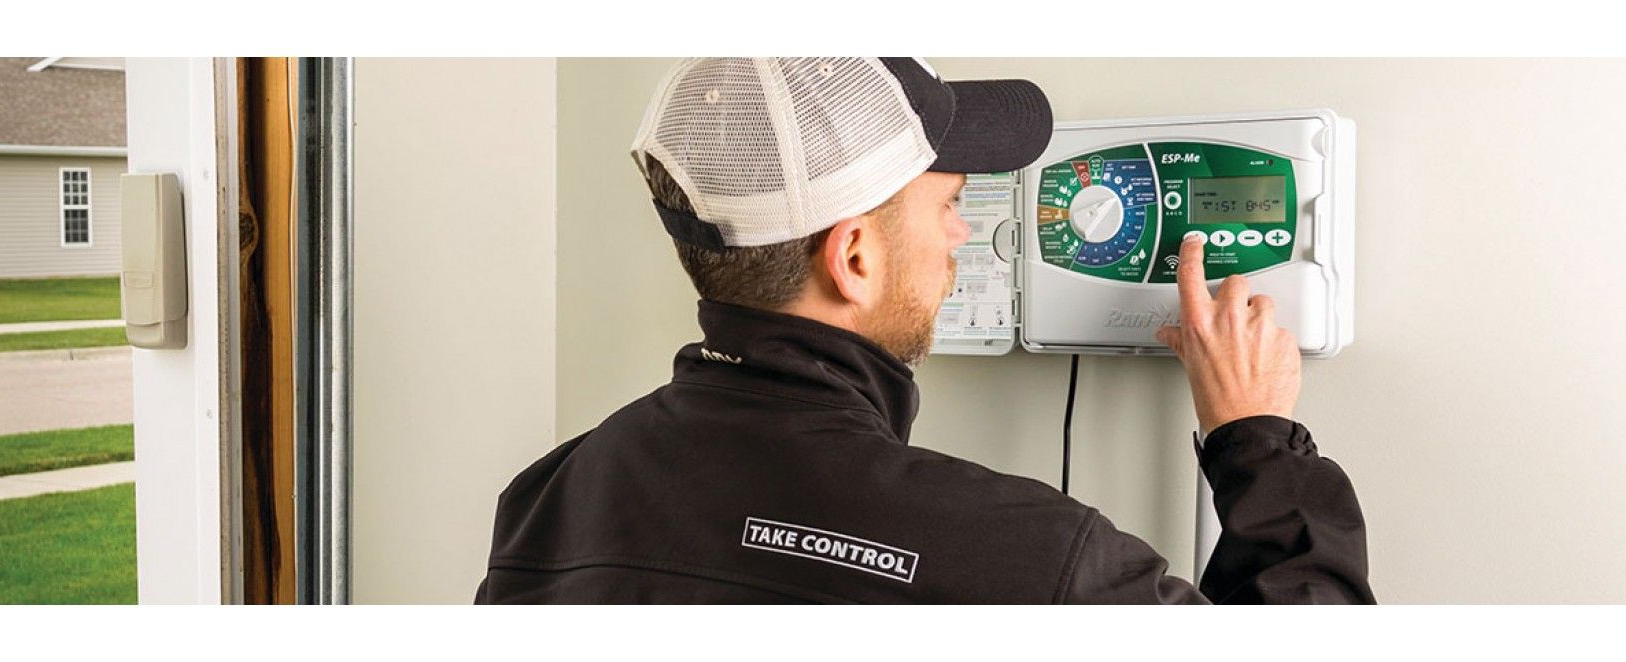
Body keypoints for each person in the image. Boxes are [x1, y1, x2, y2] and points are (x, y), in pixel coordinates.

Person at [475, 57, 1373, 604]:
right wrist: (1256, 441)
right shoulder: (1028, 560)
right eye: (947, 202)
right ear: (854, 257)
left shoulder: (549, 500)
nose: (960, 234)